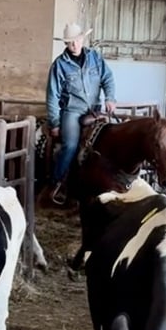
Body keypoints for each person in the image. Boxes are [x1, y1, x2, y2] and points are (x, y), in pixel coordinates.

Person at [45, 22, 116, 205]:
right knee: (70, 145)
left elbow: (108, 78)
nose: (74, 45)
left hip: (95, 109)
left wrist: (110, 98)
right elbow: (52, 95)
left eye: (76, 40)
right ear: (66, 44)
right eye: (70, 43)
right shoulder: (60, 65)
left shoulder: (95, 58)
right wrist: (54, 122)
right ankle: (55, 185)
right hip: (72, 111)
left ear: (82, 39)